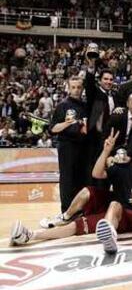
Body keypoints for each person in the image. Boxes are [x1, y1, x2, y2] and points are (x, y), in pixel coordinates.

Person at [50, 76, 88, 213]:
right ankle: (66, 211)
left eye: (79, 87)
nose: (76, 90)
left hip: (83, 148)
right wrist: (67, 123)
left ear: (82, 88)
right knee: (67, 179)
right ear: (68, 88)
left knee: (81, 179)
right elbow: (53, 129)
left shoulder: (85, 105)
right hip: (67, 147)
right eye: (73, 87)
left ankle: (80, 210)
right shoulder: (63, 105)